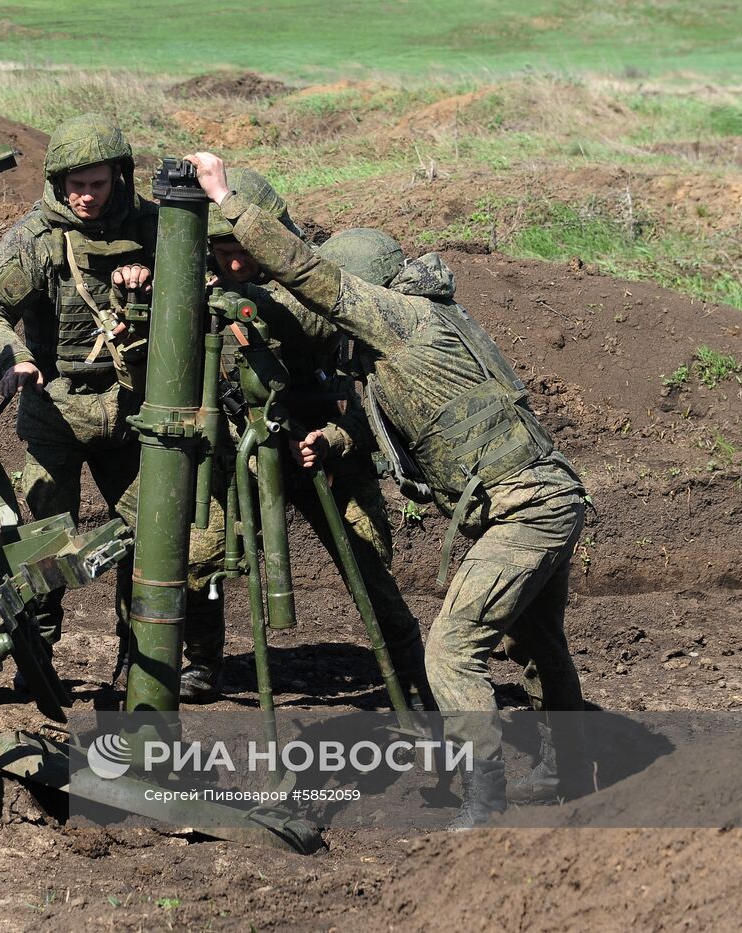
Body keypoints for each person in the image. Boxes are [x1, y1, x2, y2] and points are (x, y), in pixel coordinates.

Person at [189, 152, 588, 828]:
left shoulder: (399, 322)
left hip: (524, 508)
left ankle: (481, 795)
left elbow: (311, 278)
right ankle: (568, 764)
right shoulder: (432, 329)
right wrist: (337, 441)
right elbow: (395, 426)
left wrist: (227, 200)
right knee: (539, 640)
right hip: (550, 496)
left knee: (452, 649)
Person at [0, 114, 225, 700]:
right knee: (44, 545)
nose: (85, 196)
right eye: (75, 184)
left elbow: (211, 285)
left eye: (98, 185)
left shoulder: (160, 228)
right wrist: (10, 361)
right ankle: (36, 653)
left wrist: (157, 279)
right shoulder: (36, 239)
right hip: (55, 413)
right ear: (57, 183)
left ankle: (165, 661)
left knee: (168, 535)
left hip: (136, 414)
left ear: (121, 179)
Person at [206, 169, 433, 712]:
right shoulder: (208, 300)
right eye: (220, 251)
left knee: (369, 573)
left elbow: (371, 401)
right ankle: (194, 666)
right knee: (203, 557)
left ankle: (413, 683)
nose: (234, 262)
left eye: (243, 248)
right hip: (251, 455)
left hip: (333, 458)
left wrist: (334, 438)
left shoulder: (327, 295)